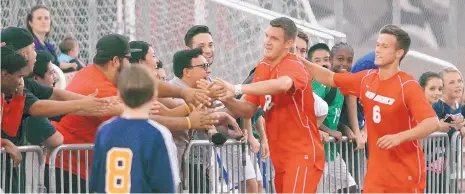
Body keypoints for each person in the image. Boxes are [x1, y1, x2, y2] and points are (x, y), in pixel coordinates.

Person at [299, 24, 439, 192]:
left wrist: (399, 137)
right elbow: (329, 77)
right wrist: (296, 59)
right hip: (376, 175)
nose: (378, 50)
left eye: (384, 46)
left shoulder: (407, 85)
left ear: (399, 53)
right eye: (377, 45)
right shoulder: (367, 78)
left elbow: (432, 123)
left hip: (405, 175)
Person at [211, 17, 325, 193]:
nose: (267, 42)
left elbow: (283, 84)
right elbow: (248, 110)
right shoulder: (263, 66)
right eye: (267, 36)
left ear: (288, 43)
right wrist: (225, 97)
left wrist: (235, 88)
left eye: (274, 38)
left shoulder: (294, 64)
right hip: (280, 157)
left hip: (302, 155)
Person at [90, 65, 179, 193]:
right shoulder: (157, 133)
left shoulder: (104, 130)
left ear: (119, 96)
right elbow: (166, 184)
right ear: (154, 96)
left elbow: (96, 183)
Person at [308, 42, 358, 193]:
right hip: (316, 150)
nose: (344, 64)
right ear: (331, 60)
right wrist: (330, 131)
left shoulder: (340, 84)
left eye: (349, 61)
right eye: (340, 59)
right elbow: (308, 112)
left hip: (330, 151)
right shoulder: (322, 83)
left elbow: (332, 114)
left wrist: (345, 128)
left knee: (350, 188)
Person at [26, 5, 78, 71]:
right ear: (30, 23)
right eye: (39, 18)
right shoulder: (30, 44)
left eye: (46, 18)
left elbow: (57, 65)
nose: (43, 21)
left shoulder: (49, 46)